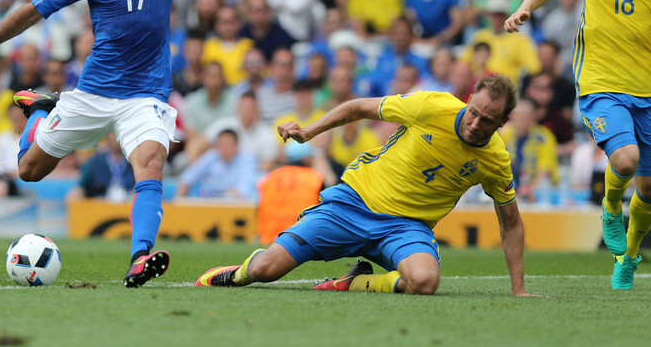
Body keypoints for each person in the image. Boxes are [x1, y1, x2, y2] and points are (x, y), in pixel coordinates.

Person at [0, 0, 308, 287]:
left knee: (151, 163)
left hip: (146, 96)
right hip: (93, 93)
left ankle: (140, 256)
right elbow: (32, 11)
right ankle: (41, 110)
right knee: (28, 170)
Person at [195, 74, 540, 298]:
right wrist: (310, 131)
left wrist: (519, 290)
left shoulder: (495, 160)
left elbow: (510, 222)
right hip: (354, 203)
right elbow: (359, 107)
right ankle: (238, 273)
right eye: (473, 112)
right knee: (265, 271)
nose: (475, 124)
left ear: (503, 122)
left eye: (487, 120)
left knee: (424, 282)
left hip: (406, 227)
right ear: (468, 100)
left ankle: (357, 282)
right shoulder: (431, 105)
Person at [504, 0, 651, 290]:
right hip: (601, 85)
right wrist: (524, 8)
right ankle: (609, 207)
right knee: (624, 162)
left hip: (647, 92)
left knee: (650, 188)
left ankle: (629, 256)